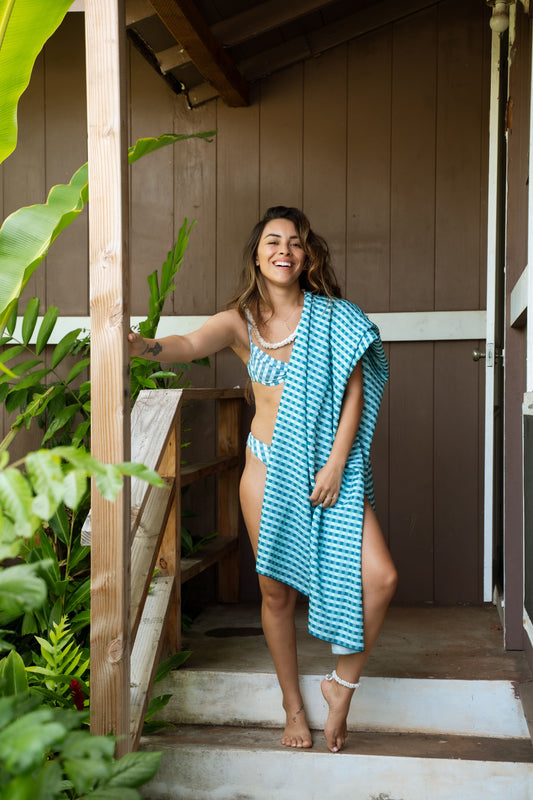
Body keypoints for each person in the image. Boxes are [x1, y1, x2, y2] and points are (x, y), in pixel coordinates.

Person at [128, 206, 397, 753]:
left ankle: (340, 687)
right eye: (273, 240)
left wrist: (338, 462)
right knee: (276, 595)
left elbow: (355, 392)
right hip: (267, 470)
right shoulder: (240, 321)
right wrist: (141, 347)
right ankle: (292, 706)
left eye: (295, 242)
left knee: (382, 576)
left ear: (307, 255)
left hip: (329, 471)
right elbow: (186, 346)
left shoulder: (334, 316)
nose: (284, 250)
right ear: (257, 253)